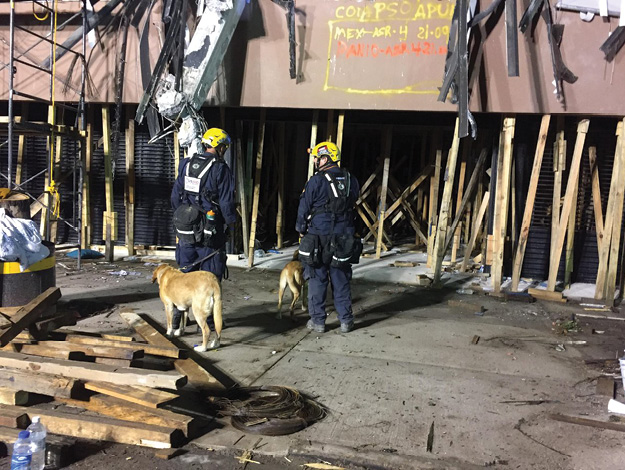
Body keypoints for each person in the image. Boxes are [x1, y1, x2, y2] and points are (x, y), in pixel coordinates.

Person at [170, 127, 236, 349]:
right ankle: (205, 325)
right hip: (210, 233)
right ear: (219, 147)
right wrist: (230, 224)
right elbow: (226, 202)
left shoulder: (187, 164)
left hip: (187, 230)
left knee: (184, 275)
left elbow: (175, 196)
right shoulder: (220, 169)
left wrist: (183, 219)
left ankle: (178, 323)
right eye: (224, 147)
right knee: (208, 278)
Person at [296, 141, 361, 334]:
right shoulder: (351, 179)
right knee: (340, 278)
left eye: (317, 158)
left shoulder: (316, 181)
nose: (315, 161)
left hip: (319, 236)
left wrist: (300, 229)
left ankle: (318, 322)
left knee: (317, 278)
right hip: (344, 237)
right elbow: (353, 202)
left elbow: (304, 207)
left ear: (325, 158)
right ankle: (346, 321)